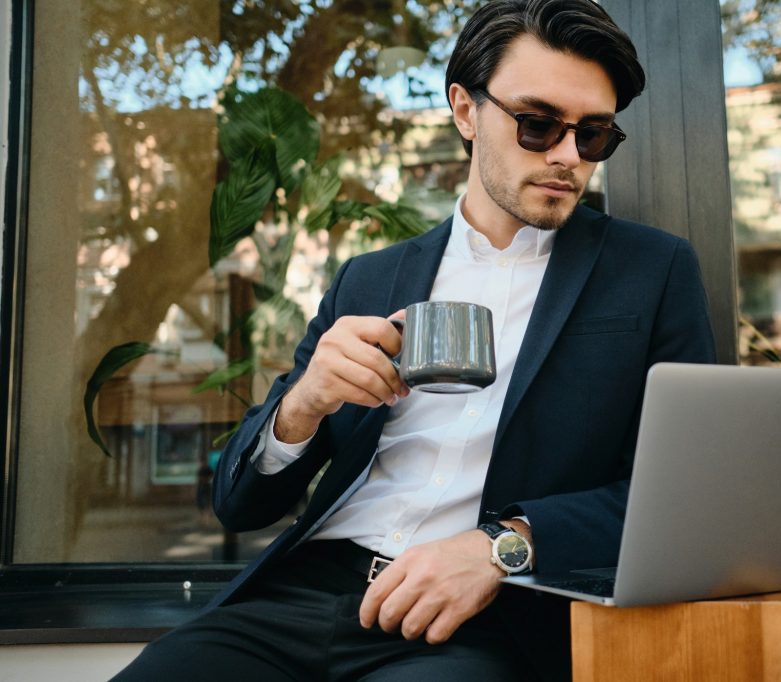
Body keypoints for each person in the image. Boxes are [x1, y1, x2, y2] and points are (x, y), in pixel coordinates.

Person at [113, 1, 715, 680]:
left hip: (481, 619)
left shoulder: (652, 270)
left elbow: (680, 492)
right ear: (465, 110)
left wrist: (503, 548)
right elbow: (240, 504)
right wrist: (301, 406)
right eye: (538, 124)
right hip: (306, 595)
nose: (568, 157)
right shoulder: (368, 280)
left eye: (594, 135)